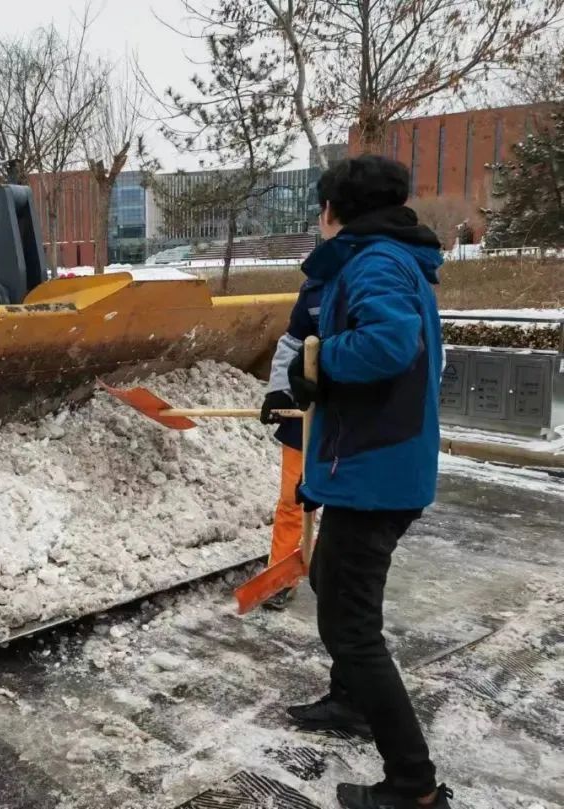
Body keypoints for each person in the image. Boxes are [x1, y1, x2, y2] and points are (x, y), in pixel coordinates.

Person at [284, 155, 453, 809]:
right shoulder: (387, 256)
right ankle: (351, 699)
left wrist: (320, 364)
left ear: (333, 211)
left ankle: (413, 784)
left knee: (351, 626)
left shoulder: (374, 261)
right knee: (331, 579)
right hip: (377, 462)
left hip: (377, 472)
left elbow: (388, 343)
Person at [258, 277, 321, 610]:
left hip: (349, 418)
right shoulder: (316, 287)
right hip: (303, 415)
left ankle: (335, 571)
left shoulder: (375, 279)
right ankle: (281, 576)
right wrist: (279, 390)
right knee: (290, 500)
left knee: (345, 502)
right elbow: (293, 342)